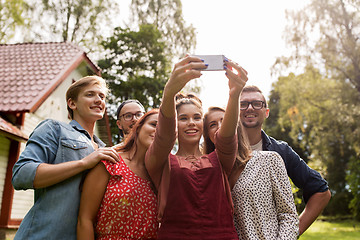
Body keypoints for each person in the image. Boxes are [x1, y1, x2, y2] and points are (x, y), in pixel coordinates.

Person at [145, 55, 247, 239]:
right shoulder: (161, 161)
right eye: (183, 118)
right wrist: (169, 93)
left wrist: (235, 94)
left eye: (197, 117)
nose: (191, 123)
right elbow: (163, 137)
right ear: (175, 123)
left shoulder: (219, 158)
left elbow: (227, 137)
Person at [11, 76, 120, 240]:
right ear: (72, 103)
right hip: (44, 235)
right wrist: (84, 163)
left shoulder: (107, 150)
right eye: (90, 94)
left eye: (102, 96)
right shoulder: (54, 129)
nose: (98, 100)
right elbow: (21, 174)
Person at [239, 85, 331, 236]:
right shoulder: (221, 148)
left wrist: (292, 232)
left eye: (257, 103)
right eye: (243, 104)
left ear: (266, 112)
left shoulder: (280, 151)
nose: (250, 108)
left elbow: (321, 192)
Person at [203, 107, 299, 239]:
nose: (220, 127)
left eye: (224, 121)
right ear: (208, 135)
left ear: (236, 126)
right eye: (212, 125)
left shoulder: (269, 160)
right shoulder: (208, 176)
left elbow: (288, 215)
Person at [77, 109, 159, 240]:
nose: (159, 131)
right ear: (138, 127)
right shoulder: (110, 161)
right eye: (154, 124)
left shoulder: (162, 175)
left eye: (165, 129)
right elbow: (85, 220)